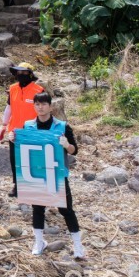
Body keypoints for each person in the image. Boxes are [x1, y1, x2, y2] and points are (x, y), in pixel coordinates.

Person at [25, 91, 86, 259]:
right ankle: (39, 242)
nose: (40, 107)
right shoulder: (28, 126)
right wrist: (14, 138)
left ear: (50, 107)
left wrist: (66, 145)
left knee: (66, 210)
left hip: (57, 174)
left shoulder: (62, 126)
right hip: (37, 173)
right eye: (37, 104)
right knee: (38, 208)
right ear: (34, 106)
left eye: (44, 104)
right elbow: (23, 148)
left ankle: (78, 246)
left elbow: (74, 150)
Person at [0, 62, 46, 197]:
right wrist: (3, 125)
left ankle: (34, 185)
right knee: (15, 160)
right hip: (15, 131)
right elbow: (9, 107)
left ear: (30, 74)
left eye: (24, 72)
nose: (21, 75)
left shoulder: (39, 90)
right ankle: (17, 185)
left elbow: (44, 111)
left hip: (32, 131)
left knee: (32, 159)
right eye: (18, 72)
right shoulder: (13, 88)